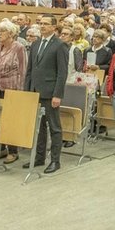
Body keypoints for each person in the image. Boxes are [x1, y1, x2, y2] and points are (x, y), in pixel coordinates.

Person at [23, 16, 69, 174]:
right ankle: (39, 157)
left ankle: (55, 161)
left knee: (54, 127)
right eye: (40, 23)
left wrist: (58, 95)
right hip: (35, 91)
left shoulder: (60, 45)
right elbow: (30, 70)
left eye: (45, 24)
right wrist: (27, 91)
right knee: (39, 127)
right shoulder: (35, 44)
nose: (42, 26)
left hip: (50, 93)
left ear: (54, 27)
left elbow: (62, 73)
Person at [0, 20, 27, 164]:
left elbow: (23, 71)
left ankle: (13, 151)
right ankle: (2, 147)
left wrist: (20, 93)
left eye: (2, 31)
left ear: (10, 33)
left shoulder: (19, 48)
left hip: (11, 89)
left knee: (10, 121)